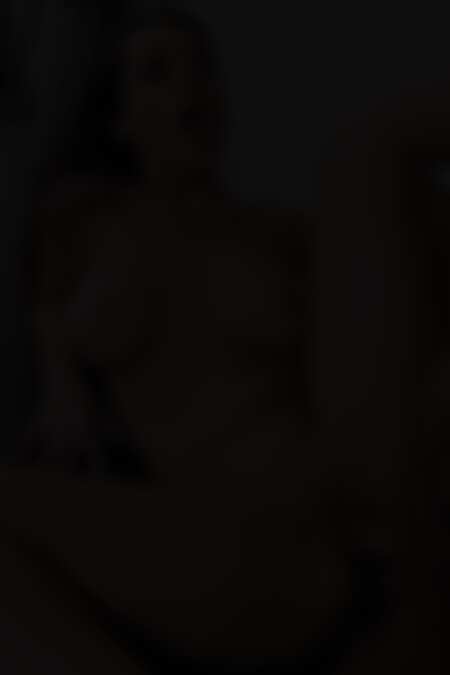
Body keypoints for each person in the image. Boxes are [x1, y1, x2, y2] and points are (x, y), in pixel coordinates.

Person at [0, 7, 447, 674]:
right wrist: (61, 382)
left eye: (203, 70)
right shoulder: (86, 218)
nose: (191, 87)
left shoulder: (284, 234)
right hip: (254, 554)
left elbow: (385, 342)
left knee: (370, 154)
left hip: (360, 500)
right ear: (119, 119)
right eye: (158, 72)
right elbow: (47, 300)